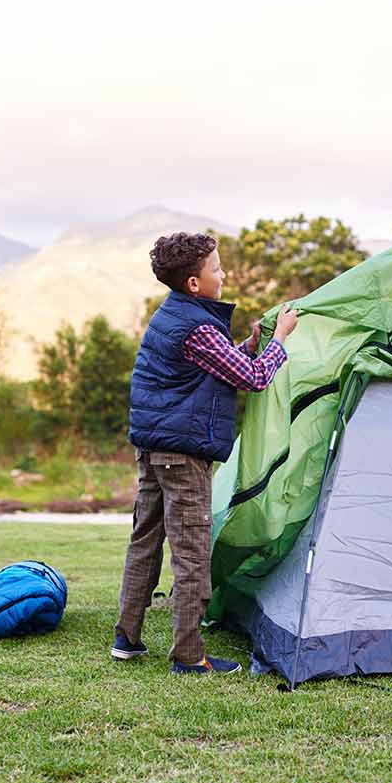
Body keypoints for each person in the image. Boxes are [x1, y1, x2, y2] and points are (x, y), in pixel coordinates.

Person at [113, 231, 299, 674]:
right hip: (182, 457)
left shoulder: (175, 315)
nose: (224, 274)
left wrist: (252, 345)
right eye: (217, 268)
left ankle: (127, 636)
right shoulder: (197, 325)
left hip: (153, 449)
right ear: (195, 283)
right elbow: (253, 379)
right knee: (192, 551)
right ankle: (188, 656)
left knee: (145, 541)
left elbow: (218, 367)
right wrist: (280, 343)